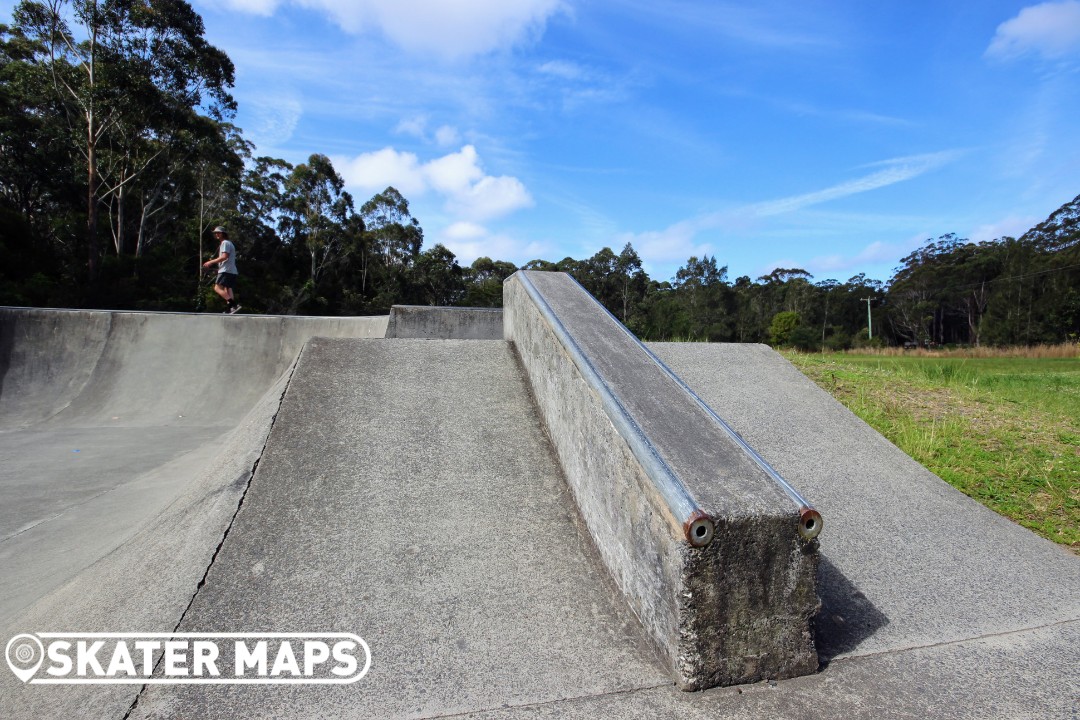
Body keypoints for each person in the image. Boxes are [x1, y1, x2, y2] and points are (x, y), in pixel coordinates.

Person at [202, 226, 241, 314]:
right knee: (228, 288)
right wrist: (218, 269)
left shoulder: (225, 243)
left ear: (223, 234)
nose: (216, 234)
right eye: (215, 233)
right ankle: (230, 309)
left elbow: (224, 257)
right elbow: (228, 259)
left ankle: (233, 304)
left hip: (226, 270)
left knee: (217, 288)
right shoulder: (229, 243)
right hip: (231, 271)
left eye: (218, 233)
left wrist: (210, 262)